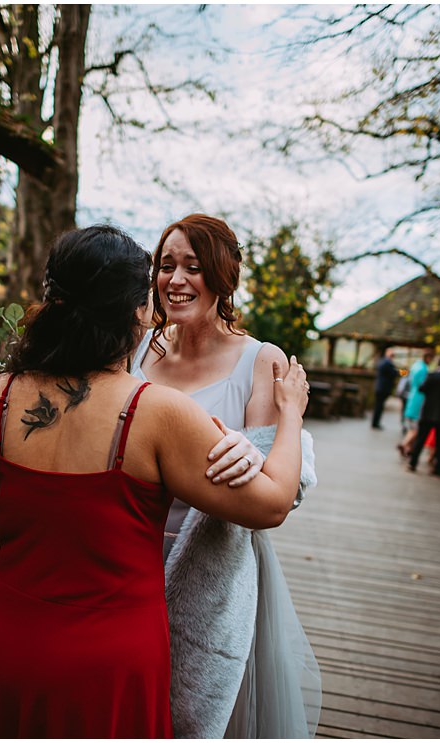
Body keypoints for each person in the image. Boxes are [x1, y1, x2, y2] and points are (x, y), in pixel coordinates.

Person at [0, 225, 310, 738]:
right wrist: (290, 416)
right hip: (111, 655)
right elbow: (270, 506)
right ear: (136, 312)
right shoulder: (154, 410)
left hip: (8, 638)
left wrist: (40, 509)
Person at [130, 213, 321, 738]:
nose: (176, 279)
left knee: (198, 711)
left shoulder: (260, 361)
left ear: (222, 277)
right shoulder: (137, 350)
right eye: (166, 265)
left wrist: (250, 451)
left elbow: (265, 473)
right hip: (131, 551)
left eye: (193, 266)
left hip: (212, 562)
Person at [407, 355, 440, 477]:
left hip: (428, 414)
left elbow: (422, 388)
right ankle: (439, 468)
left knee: (421, 439)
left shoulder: (432, 376)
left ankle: (413, 463)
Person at [398, 349, 433, 457]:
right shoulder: (423, 369)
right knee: (416, 428)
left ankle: (408, 448)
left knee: (411, 426)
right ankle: (405, 445)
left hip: (412, 397)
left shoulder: (416, 366)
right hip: (419, 400)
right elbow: (422, 386)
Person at [371, 347, 399, 429]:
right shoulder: (387, 363)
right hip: (383, 388)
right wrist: (405, 372)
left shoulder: (383, 362)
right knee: (379, 406)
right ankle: (375, 423)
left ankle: (375, 423)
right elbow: (394, 373)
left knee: (378, 406)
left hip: (380, 387)